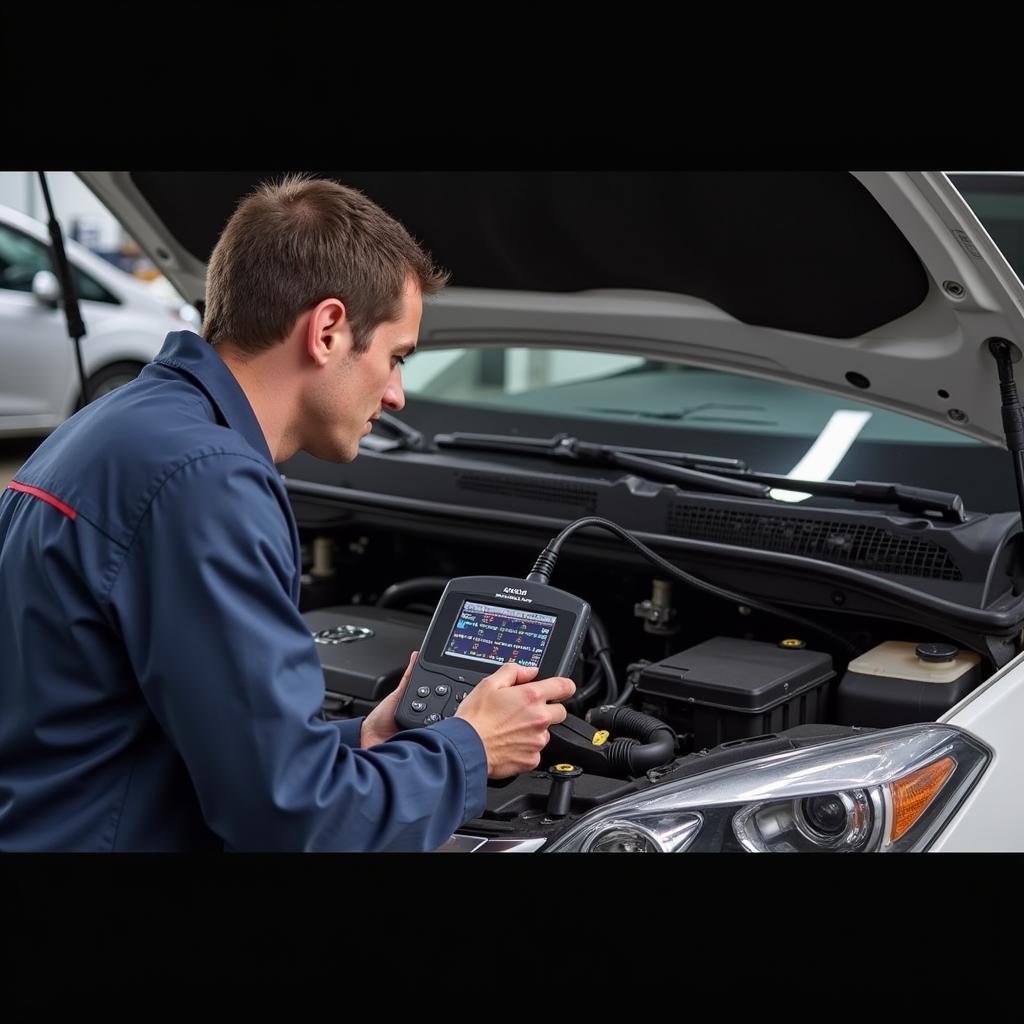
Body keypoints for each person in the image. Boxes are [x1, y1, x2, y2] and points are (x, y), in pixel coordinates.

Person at [0, 174, 575, 851]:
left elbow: (149, 735)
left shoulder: (120, 427)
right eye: (395, 358)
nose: (395, 396)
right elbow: (294, 820)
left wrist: (362, 740)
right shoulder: (207, 484)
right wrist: (470, 749)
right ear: (329, 330)